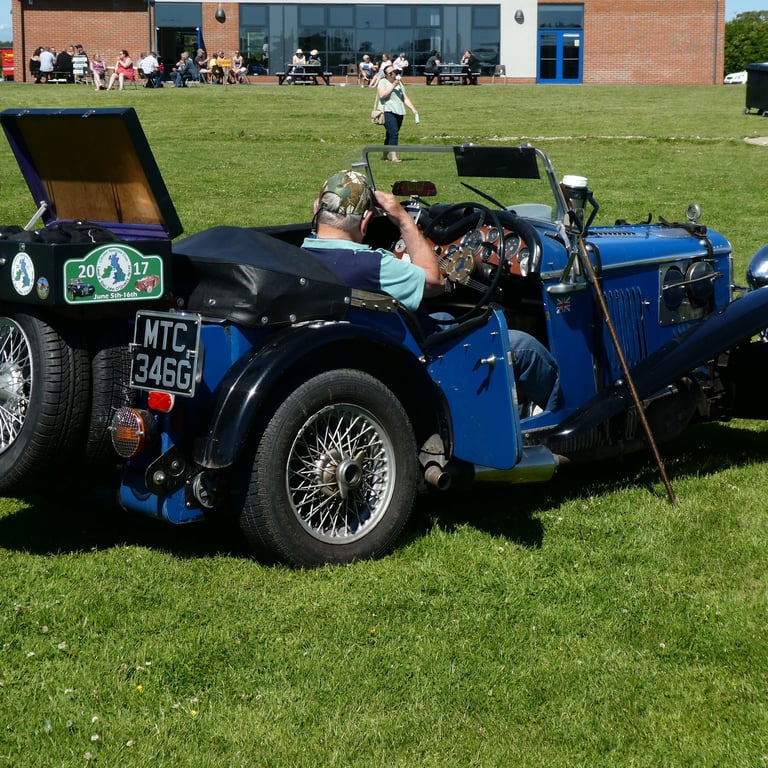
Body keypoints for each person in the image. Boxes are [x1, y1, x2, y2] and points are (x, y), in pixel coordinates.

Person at [301, 170, 562, 413]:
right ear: (366, 220)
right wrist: (403, 219)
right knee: (525, 348)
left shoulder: (298, 259)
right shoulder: (376, 266)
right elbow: (435, 281)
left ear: (316, 209)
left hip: (353, 357)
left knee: (445, 319)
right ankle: (556, 419)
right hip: (417, 363)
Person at [376, 62, 418, 163]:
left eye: (394, 71)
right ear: (386, 75)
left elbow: (404, 98)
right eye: (390, 73)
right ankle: (394, 157)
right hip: (387, 111)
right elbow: (382, 95)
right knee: (394, 133)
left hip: (399, 111)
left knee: (390, 134)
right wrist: (393, 85)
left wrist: (413, 109)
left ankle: (384, 156)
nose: (393, 74)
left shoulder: (399, 83)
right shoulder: (383, 82)